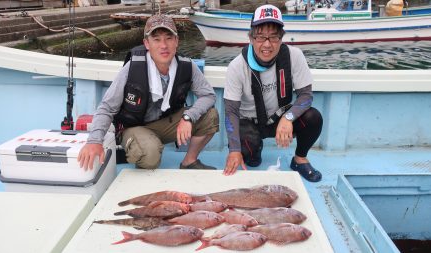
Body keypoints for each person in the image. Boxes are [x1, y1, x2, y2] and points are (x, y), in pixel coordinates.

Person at [78, 14, 219, 170]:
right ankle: (143, 146)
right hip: (134, 127)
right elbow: (107, 107)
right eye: (156, 39)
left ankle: (189, 161)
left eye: (169, 38)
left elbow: (208, 95)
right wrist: (94, 141)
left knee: (210, 116)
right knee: (150, 157)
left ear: (177, 41)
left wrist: (188, 117)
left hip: (166, 123)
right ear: (146, 43)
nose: (163, 46)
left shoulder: (187, 66)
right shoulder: (132, 68)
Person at [223, 4, 323, 182]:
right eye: (260, 37)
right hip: (250, 121)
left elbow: (306, 96)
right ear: (251, 38)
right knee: (251, 159)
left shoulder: (295, 56)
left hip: (279, 118)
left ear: (281, 38)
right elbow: (231, 111)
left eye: (274, 37)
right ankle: (254, 150)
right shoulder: (237, 66)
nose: (267, 44)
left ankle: (299, 159)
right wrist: (234, 150)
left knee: (313, 117)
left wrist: (288, 118)